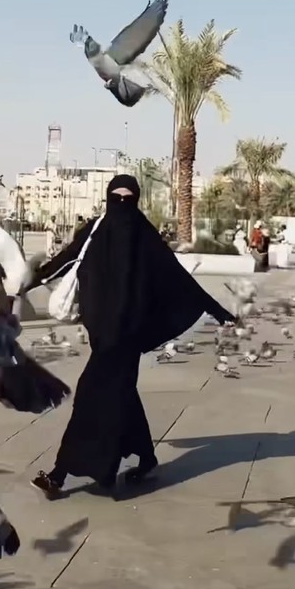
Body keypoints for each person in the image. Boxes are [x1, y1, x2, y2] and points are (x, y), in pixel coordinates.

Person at [28, 174, 235, 499]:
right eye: (117, 198)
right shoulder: (95, 230)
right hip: (100, 332)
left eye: (129, 199)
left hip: (127, 337)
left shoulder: (144, 235)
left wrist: (215, 308)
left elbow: (176, 276)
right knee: (122, 396)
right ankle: (148, 459)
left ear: (136, 201)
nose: (122, 206)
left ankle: (59, 474)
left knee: (90, 398)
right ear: (109, 199)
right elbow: (65, 259)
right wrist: (27, 283)